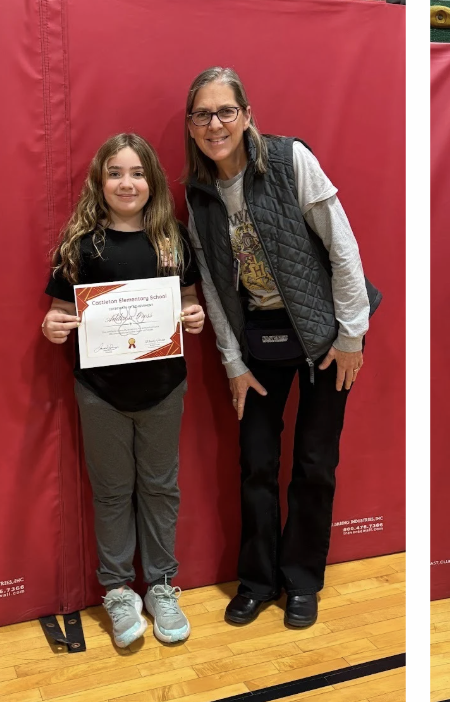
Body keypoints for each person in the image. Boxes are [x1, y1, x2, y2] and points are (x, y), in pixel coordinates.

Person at [182, 67, 381, 628]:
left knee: (315, 463)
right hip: (257, 345)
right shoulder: (198, 196)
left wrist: (350, 336)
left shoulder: (291, 160)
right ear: (191, 125)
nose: (214, 123)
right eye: (202, 114)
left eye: (225, 111)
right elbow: (216, 293)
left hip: (325, 338)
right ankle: (258, 580)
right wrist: (233, 365)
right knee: (257, 465)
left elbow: (343, 250)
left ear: (246, 115)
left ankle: (301, 581)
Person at [42, 134, 205, 647]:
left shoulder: (172, 239)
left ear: (152, 181)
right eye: (115, 172)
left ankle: (160, 585)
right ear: (100, 181)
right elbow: (59, 312)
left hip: (163, 387)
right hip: (100, 391)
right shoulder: (81, 243)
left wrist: (195, 315)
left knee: (161, 489)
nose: (126, 183)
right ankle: (118, 591)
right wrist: (53, 324)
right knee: (112, 493)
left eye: (137, 173)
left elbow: (190, 301)